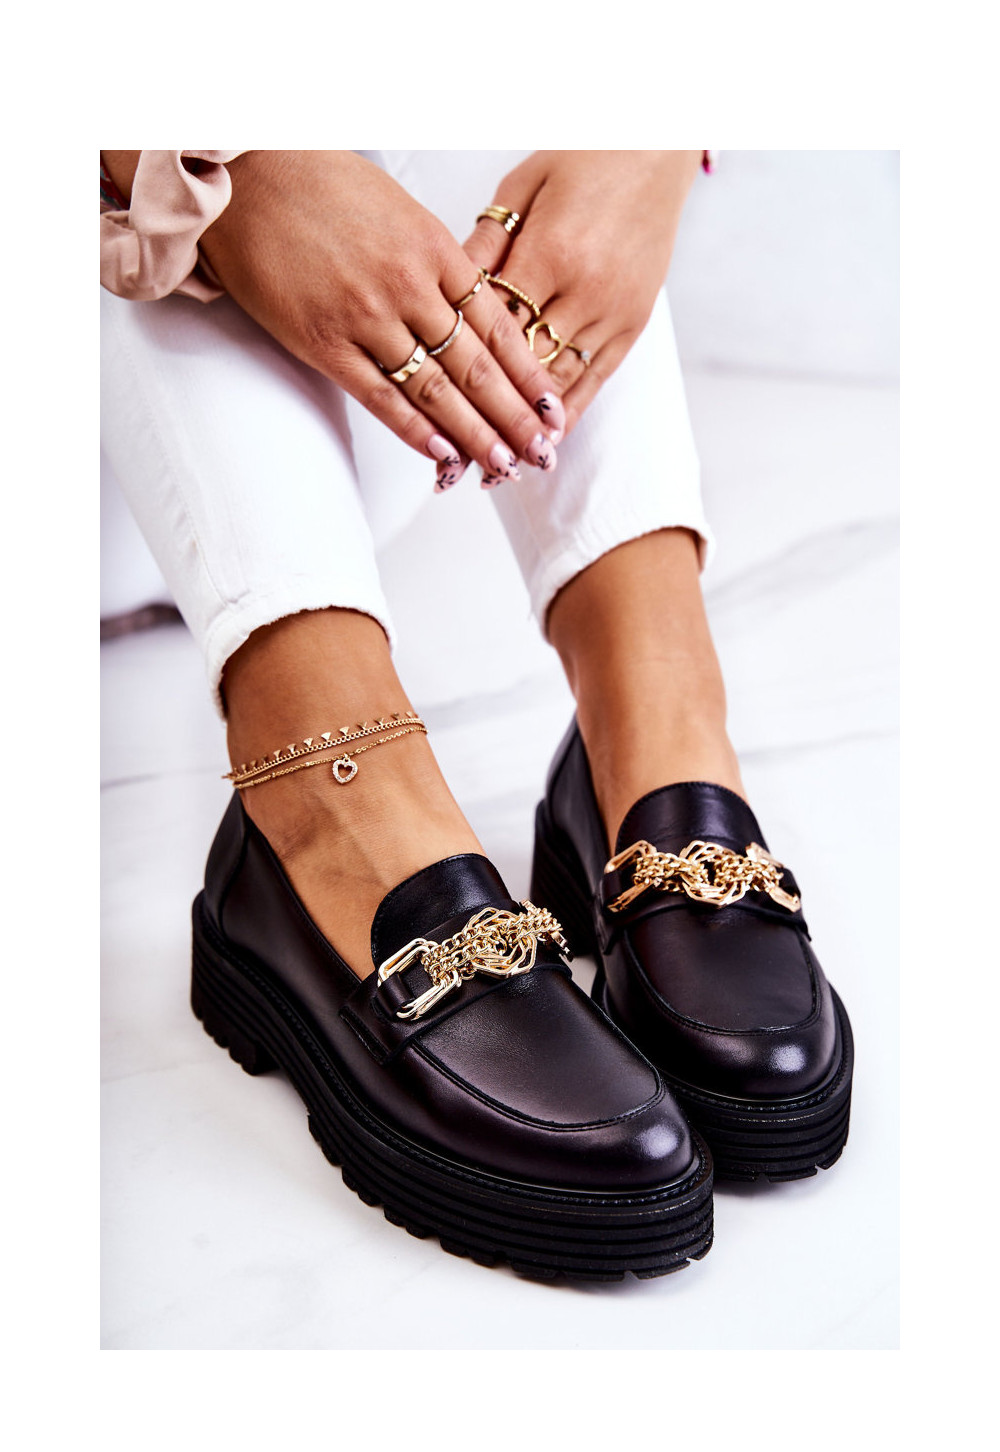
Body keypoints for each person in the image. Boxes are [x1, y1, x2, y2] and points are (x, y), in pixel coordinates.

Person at [100, 150, 853, 1283]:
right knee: (143, 157)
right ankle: (324, 773)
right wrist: (226, 172)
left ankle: (647, 704)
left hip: (354, 401)